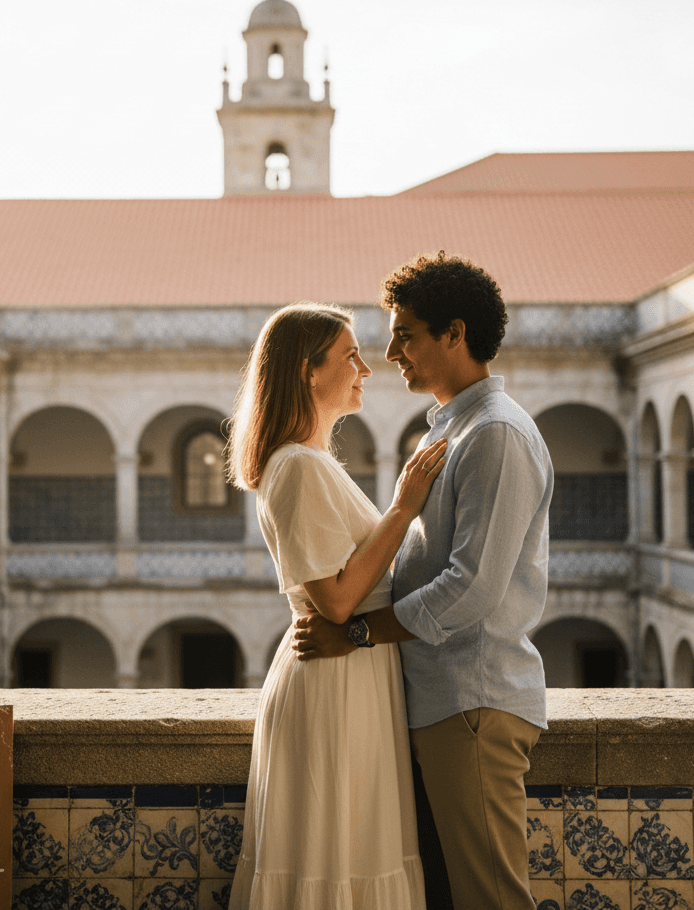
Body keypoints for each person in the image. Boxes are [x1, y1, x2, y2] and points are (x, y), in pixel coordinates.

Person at [294, 252, 553, 910]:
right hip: (444, 701)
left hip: (473, 702)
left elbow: (471, 588)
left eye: (405, 335)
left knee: (490, 897)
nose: (390, 354)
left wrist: (357, 632)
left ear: (454, 333)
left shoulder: (495, 434)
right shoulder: (456, 430)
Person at [226, 300, 448, 910]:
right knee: (339, 856)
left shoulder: (312, 462)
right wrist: (403, 507)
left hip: (350, 676)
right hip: (335, 680)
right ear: (308, 371)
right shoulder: (298, 466)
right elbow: (338, 599)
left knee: (350, 852)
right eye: (351, 356)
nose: (366, 369)